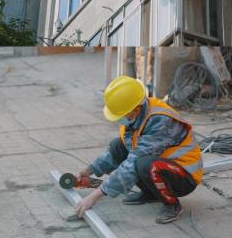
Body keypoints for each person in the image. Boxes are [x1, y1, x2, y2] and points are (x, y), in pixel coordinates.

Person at [74, 76, 203, 224]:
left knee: (145, 164)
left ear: (135, 109)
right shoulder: (135, 117)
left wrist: (94, 196)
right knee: (118, 145)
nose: (118, 119)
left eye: (120, 115)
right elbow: (117, 153)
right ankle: (151, 193)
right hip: (163, 165)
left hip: (184, 176)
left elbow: (133, 163)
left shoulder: (160, 121)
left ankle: (172, 204)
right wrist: (88, 171)